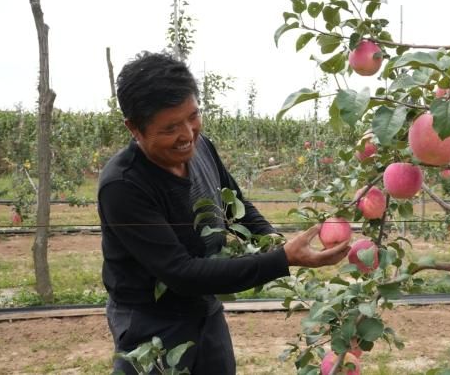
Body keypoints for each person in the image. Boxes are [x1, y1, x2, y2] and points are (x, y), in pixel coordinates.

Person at [98, 51, 350, 374]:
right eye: (170, 127)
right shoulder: (123, 185)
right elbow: (181, 273)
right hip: (149, 323)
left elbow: (237, 207)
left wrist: (273, 241)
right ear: (134, 128)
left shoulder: (202, 148)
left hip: (205, 308)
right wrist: (283, 259)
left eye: (193, 116)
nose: (187, 134)